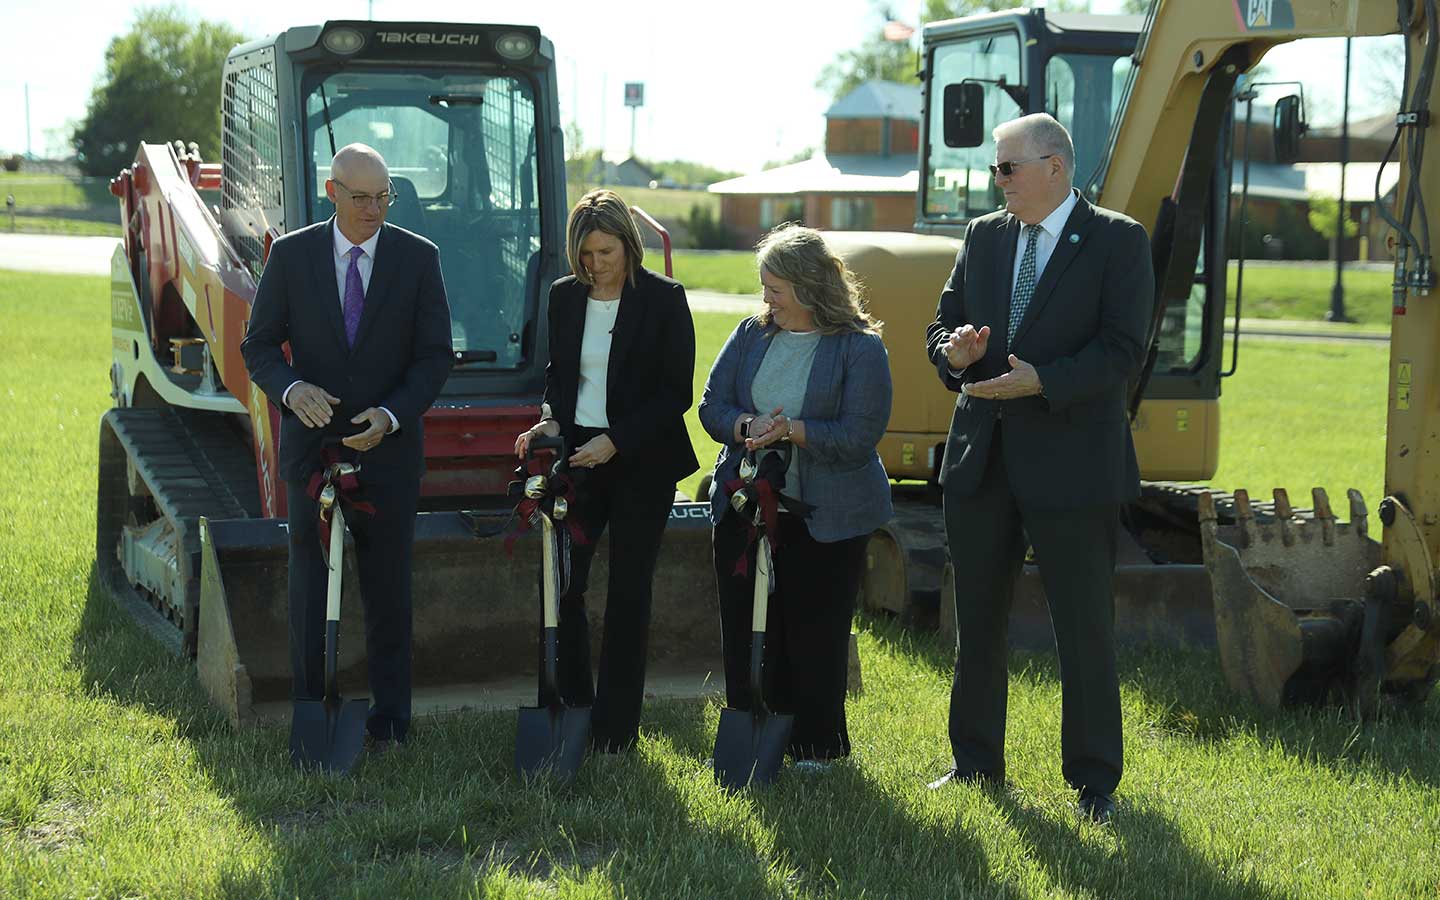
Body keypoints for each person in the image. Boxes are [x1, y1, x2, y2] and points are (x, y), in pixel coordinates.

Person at [923, 113, 1153, 823]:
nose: (998, 181)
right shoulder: (984, 236)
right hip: (982, 461)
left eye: (1008, 168)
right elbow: (943, 324)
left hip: (1073, 466)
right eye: (998, 169)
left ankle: (1093, 782)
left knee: (1082, 630)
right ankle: (974, 763)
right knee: (978, 622)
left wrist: (1043, 380)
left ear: (1055, 166)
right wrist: (953, 352)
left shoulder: (1118, 239)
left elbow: (1122, 350)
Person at [241, 143, 453, 751]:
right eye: (361, 198)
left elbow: (435, 355)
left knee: (388, 589)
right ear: (331, 192)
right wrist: (290, 388)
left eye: (384, 197)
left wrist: (391, 415)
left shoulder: (418, 258)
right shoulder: (292, 256)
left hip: (388, 453)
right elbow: (257, 347)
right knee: (308, 586)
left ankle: (391, 724)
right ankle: (311, 714)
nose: (374, 209)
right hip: (310, 452)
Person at [699, 224, 892, 769]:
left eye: (775, 290)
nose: (766, 301)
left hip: (828, 513)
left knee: (815, 631)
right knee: (745, 625)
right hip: (744, 504)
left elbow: (859, 436)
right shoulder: (750, 334)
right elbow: (712, 405)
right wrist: (746, 424)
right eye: (764, 288)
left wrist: (791, 431)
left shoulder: (860, 349)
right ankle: (755, 731)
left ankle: (817, 748)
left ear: (810, 287)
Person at [513, 189, 699, 753]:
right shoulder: (565, 296)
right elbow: (559, 375)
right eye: (586, 254)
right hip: (579, 459)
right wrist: (550, 422)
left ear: (629, 245)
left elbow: (676, 393)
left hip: (643, 462)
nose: (595, 265)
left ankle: (616, 731)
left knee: (628, 592)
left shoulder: (665, 299)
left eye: (606, 252)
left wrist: (615, 442)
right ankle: (574, 707)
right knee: (564, 583)